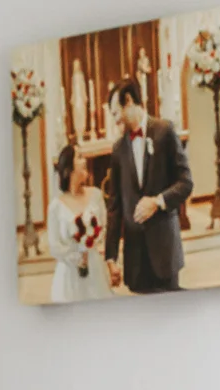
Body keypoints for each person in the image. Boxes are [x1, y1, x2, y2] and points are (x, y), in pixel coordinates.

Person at [103, 81, 191, 295]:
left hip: (164, 250)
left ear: (129, 101)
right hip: (136, 258)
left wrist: (158, 201)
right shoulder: (118, 150)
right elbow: (114, 207)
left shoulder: (164, 131)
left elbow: (186, 183)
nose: (114, 121)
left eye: (116, 113)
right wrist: (111, 257)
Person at [46, 146, 113, 304]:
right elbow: (54, 247)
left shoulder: (96, 194)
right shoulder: (55, 207)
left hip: (94, 265)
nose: (85, 161)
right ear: (69, 169)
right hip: (69, 273)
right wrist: (77, 258)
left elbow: (103, 227)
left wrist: (91, 243)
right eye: (80, 157)